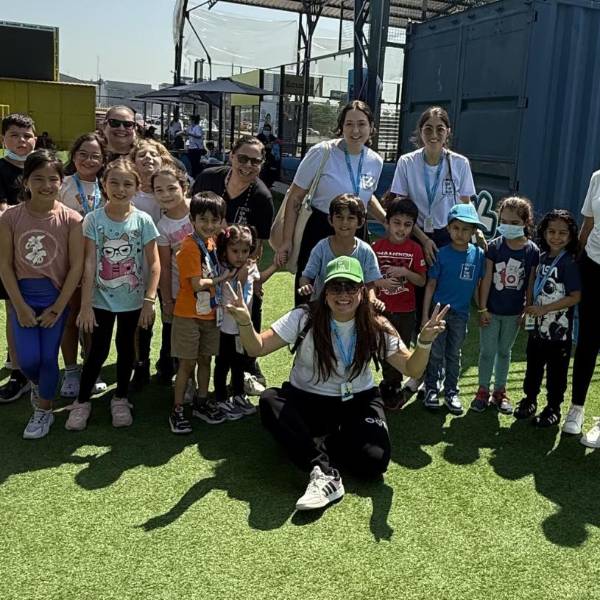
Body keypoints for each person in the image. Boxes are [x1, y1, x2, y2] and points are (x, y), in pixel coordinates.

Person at [224, 256, 448, 511]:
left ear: (362, 290)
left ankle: (317, 440)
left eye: (350, 287)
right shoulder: (304, 317)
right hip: (308, 398)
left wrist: (424, 342)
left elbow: (411, 368)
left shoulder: (376, 324)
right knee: (269, 401)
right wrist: (244, 321)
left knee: (375, 462)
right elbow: (257, 347)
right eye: (336, 287)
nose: (343, 294)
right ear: (325, 291)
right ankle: (323, 471)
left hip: (358, 400)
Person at [64, 157, 159, 431]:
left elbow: (154, 263)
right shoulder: (93, 220)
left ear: (137, 188)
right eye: (114, 182)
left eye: (127, 184)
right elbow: (89, 263)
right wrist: (85, 306)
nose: (120, 189)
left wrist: (149, 300)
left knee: (127, 349)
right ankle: (82, 401)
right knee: (97, 351)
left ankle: (120, 398)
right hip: (100, 301)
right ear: (103, 184)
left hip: (133, 301)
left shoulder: (143, 221)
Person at [0, 150, 83, 438]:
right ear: (26, 181)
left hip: (55, 299)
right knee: (27, 361)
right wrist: (19, 306)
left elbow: (76, 267)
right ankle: (39, 386)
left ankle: (44, 410)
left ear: (61, 182)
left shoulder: (72, 219)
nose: (46, 185)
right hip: (22, 298)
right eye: (38, 178)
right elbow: (4, 265)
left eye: (52, 179)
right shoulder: (10, 217)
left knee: (48, 359)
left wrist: (58, 307)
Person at [274, 100, 385, 307]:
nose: (355, 130)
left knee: (351, 294)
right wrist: (287, 240)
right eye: (349, 124)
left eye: (361, 124)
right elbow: (295, 197)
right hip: (320, 229)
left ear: (371, 127)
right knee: (310, 295)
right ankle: (306, 327)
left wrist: (387, 221)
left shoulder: (375, 161)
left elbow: (367, 197)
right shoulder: (321, 152)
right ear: (341, 127)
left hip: (356, 232)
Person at [192, 136, 274, 394]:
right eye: (243, 158)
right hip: (204, 262)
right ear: (231, 156)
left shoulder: (261, 196)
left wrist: (245, 269)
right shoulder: (209, 178)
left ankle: (248, 367)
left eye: (255, 161)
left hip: (237, 268)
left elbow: (257, 246)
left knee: (248, 309)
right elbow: (190, 214)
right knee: (199, 314)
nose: (248, 166)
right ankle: (178, 365)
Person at [168, 192, 232, 433]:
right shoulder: (189, 246)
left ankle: (201, 402)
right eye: (203, 219)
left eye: (215, 220)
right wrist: (222, 278)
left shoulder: (212, 242)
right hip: (188, 316)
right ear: (192, 219)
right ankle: (177, 410)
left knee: (206, 360)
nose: (209, 225)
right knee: (187, 365)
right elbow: (197, 284)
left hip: (210, 314)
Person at [472, 196, 539, 414]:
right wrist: (482, 308)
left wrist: (526, 310)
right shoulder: (494, 246)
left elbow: (530, 284)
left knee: (504, 351)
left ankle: (499, 392)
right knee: (487, 351)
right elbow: (486, 279)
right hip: (491, 311)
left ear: (525, 223)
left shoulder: (532, 251)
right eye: (504, 222)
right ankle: (482, 391)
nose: (508, 226)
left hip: (514, 314)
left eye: (514, 223)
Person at [514, 210, 581, 427]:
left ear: (571, 235)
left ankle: (553, 408)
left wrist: (546, 309)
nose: (556, 237)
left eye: (562, 233)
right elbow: (532, 285)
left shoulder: (569, 262)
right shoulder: (540, 257)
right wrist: (527, 309)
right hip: (537, 330)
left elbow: (575, 296)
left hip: (559, 334)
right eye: (551, 231)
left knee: (556, 374)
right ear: (543, 232)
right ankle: (529, 400)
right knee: (533, 367)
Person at [390, 106, 478, 265]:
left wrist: (477, 231)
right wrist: (424, 240)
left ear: (448, 132)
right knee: (417, 277)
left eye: (440, 129)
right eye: (428, 129)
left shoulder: (460, 163)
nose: (434, 135)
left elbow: (466, 203)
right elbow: (401, 207)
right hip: (415, 232)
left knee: (443, 277)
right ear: (420, 131)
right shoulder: (407, 162)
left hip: (448, 234)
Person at [58, 132, 109, 399]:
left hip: (101, 265)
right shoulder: (63, 184)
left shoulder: (108, 186)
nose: (89, 160)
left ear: (103, 160)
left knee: (93, 320)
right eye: (83, 154)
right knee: (70, 317)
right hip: (68, 263)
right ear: (74, 156)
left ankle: (92, 366)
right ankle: (71, 371)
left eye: (95, 156)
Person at [422, 203, 486, 414]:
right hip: (438, 313)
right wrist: (425, 316)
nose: (460, 233)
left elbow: (478, 286)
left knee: (454, 354)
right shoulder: (440, 254)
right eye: (456, 228)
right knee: (435, 353)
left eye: (466, 229)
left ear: (473, 231)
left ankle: (451, 392)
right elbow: (430, 285)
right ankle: (431, 389)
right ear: (448, 229)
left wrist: (482, 309)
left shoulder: (478, 255)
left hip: (461, 315)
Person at [213, 224, 278, 421]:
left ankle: (238, 394)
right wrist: (241, 276)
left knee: (239, 362)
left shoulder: (250, 265)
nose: (240, 256)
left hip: (243, 328)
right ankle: (220, 398)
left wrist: (275, 266)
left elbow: (259, 280)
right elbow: (234, 294)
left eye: (245, 251)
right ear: (225, 249)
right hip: (226, 328)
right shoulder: (224, 269)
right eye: (235, 251)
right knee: (223, 362)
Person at [372, 196, 427, 409]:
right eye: (397, 223)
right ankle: (387, 383)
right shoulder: (376, 247)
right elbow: (368, 280)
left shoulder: (415, 249)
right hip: (380, 310)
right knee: (381, 348)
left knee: (400, 348)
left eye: (407, 224)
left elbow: (421, 280)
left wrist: (405, 271)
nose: (401, 229)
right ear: (387, 222)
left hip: (406, 310)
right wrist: (382, 282)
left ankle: (393, 386)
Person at [130, 138, 175, 390]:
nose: (148, 158)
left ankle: (167, 363)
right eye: (142, 155)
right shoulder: (129, 193)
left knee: (170, 312)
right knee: (142, 317)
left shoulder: (170, 190)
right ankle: (141, 363)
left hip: (170, 265)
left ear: (163, 159)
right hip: (139, 266)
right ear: (133, 162)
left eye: (153, 154)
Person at [0, 113, 37, 403]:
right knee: (15, 307)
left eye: (26, 136)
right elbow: (3, 213)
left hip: (44, 252)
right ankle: (18, 373)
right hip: (11, 253)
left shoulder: (43, 167)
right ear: (3, 140)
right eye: (14, 135)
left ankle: (32, 363)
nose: (21, 141)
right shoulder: (1, 169)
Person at [298, 193, 382, 306]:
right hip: (324, 307)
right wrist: (305, 285)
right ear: (330, 219)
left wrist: (373, 299)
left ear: (361, 222)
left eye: (350, 218)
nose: (344, 222)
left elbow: (371, 283)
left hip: (353, 308)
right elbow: (306, 275)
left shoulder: (365, 251)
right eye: (339, 217)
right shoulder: (321, 248)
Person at [565, 170, 600, 444]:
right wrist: (576, 258)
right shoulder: (597, 177)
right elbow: (588, 224)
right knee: (587, 341)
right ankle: (576, 409)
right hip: (593, 266)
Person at [153, 165, 193, 385]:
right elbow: (165, 266)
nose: (166, 194)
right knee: (175, 334)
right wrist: (167, 300)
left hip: (209, 287)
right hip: (180, 292)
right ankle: (173, 371)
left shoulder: (199, 208)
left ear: (183, 187)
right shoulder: (162, 226)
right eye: (159, 190)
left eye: (171, 188)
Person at [257, 123, 281, 189]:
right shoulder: (259, 136)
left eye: (268, 129)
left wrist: (275, 142)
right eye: (265, 129)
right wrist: (265, 146)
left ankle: (269, 185)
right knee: (263, 173)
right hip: (262, 157)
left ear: (270, 130)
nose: (266, 131)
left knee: (270, 174)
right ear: (263, 129)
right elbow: (257, 145)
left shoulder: (271, 136)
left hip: (270, 159)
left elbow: (279, 141)